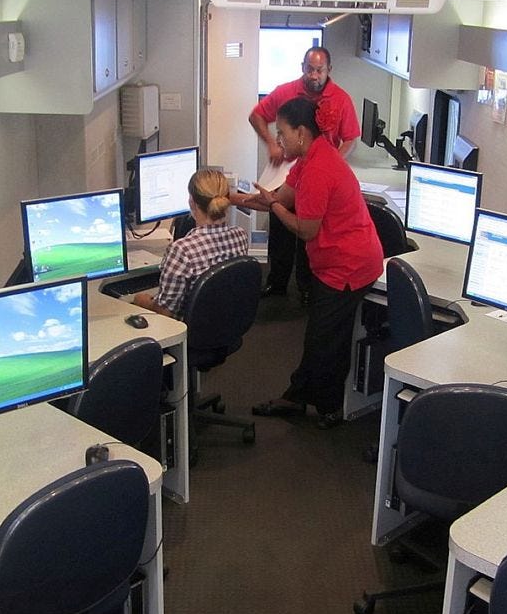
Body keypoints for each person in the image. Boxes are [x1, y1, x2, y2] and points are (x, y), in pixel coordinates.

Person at [236, 97, 383, 429]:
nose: (279, 140)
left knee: (326, 339)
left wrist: (274, 207)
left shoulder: (319, 168)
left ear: (301, 132)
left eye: (282, 133)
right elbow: (280, 197)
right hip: (339, 258)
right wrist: (233, 198)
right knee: (322, 335)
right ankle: (299, 396)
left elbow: (304, 228)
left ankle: (328, 409)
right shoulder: (309, 156)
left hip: (349, 265)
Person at [249, 46, 360, 303]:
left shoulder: (341, 99)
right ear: (302, 67)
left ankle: (307, 288)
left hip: (319, 177)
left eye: (319, 70)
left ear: (328, 71)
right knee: (280, 227)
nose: (314, 75)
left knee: (310, 234)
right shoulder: (286, 91)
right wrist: (271, 143)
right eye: (309, 69)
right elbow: (256, 116)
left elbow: (351, 138)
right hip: (287, 174)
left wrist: (332, 162)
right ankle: (276, 283)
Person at [132, 169, 248, 319]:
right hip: (228, 326)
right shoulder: (240, 236)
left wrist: (141, 301)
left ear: (191, 202)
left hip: (189, 334)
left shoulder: (181, 251)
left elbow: (165, 312)